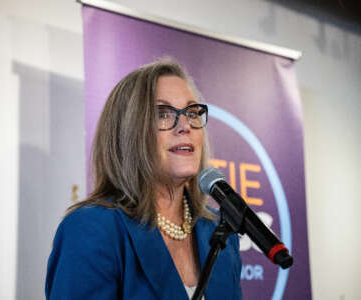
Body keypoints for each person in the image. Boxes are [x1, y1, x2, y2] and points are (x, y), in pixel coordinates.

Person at [45, 58, 242, 299]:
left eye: (192, 112)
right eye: (163, 114)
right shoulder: (92, 229)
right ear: (128, 133)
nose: (185, 126)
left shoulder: (220, 235)